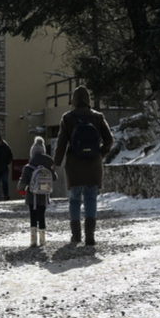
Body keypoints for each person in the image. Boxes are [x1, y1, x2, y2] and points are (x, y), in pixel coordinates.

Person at [53, 85, 114, 248]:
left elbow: (61, 143)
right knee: (91, 198)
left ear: (73, 100)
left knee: (74, 200)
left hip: (74, 165)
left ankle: (76, 235)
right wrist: (100, 154)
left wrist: (56, 163)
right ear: (88, 99)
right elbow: (109, 140)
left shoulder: (68, 117)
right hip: (93, 164)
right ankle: (90, 236)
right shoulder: (98, 117)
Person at [17, 136, 55, 248]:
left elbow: (23, 181)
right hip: (44, 196)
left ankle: (33, 240)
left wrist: (20, 188)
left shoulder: (29, 167)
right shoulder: (47, 166)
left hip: (31, 196)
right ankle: (42, 239)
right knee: (41, 215)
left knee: (33, 216)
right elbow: (55, 178)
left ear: (32, 153)